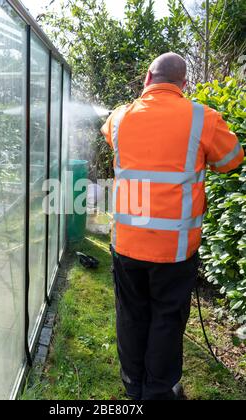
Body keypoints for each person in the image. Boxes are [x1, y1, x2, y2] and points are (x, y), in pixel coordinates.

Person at [101, 52, 244, 401]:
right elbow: (231, 160)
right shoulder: (202, 118)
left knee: (131, 314)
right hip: (175, 249)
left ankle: (133, 384)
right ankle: (159, 390)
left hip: (128, 243)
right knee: (166, 318)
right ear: (184, 85)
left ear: (148, 77)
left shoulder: (120, 117)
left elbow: (111, 137)